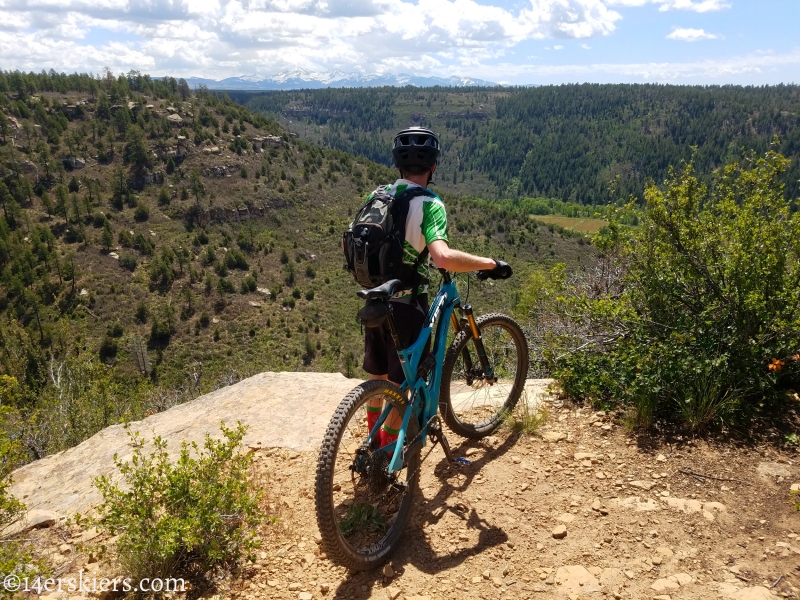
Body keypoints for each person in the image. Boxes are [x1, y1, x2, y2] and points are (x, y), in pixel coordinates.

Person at [363, 126, 512, 450]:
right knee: (401, 385)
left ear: (398, 165)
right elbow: (442, 257)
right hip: (406, 306)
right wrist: (489, 263)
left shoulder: (378, 196)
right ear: (433, 166)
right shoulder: (430, 204)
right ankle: (388, 452)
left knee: (377, 379)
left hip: (374, 298)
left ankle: (372, 443)